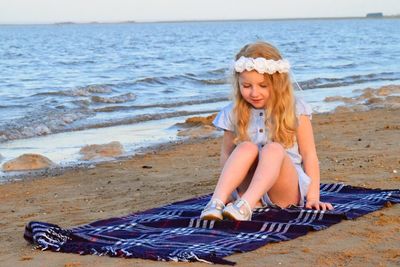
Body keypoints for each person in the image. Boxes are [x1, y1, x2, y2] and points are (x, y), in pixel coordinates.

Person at [200, 41, 334, 221]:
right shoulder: (233, 112)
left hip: (284, 191)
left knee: (273, 149)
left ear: (278, 83)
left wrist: (313, 198)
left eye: (263, 86)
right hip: (247, 187)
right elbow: (226, 154)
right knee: (246, 147)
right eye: (246, 86)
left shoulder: (296, 110)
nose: (254, 93)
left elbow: (309, 155)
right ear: (238, 84)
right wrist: (231, 195)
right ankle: (217, 202)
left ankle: (246, 205)